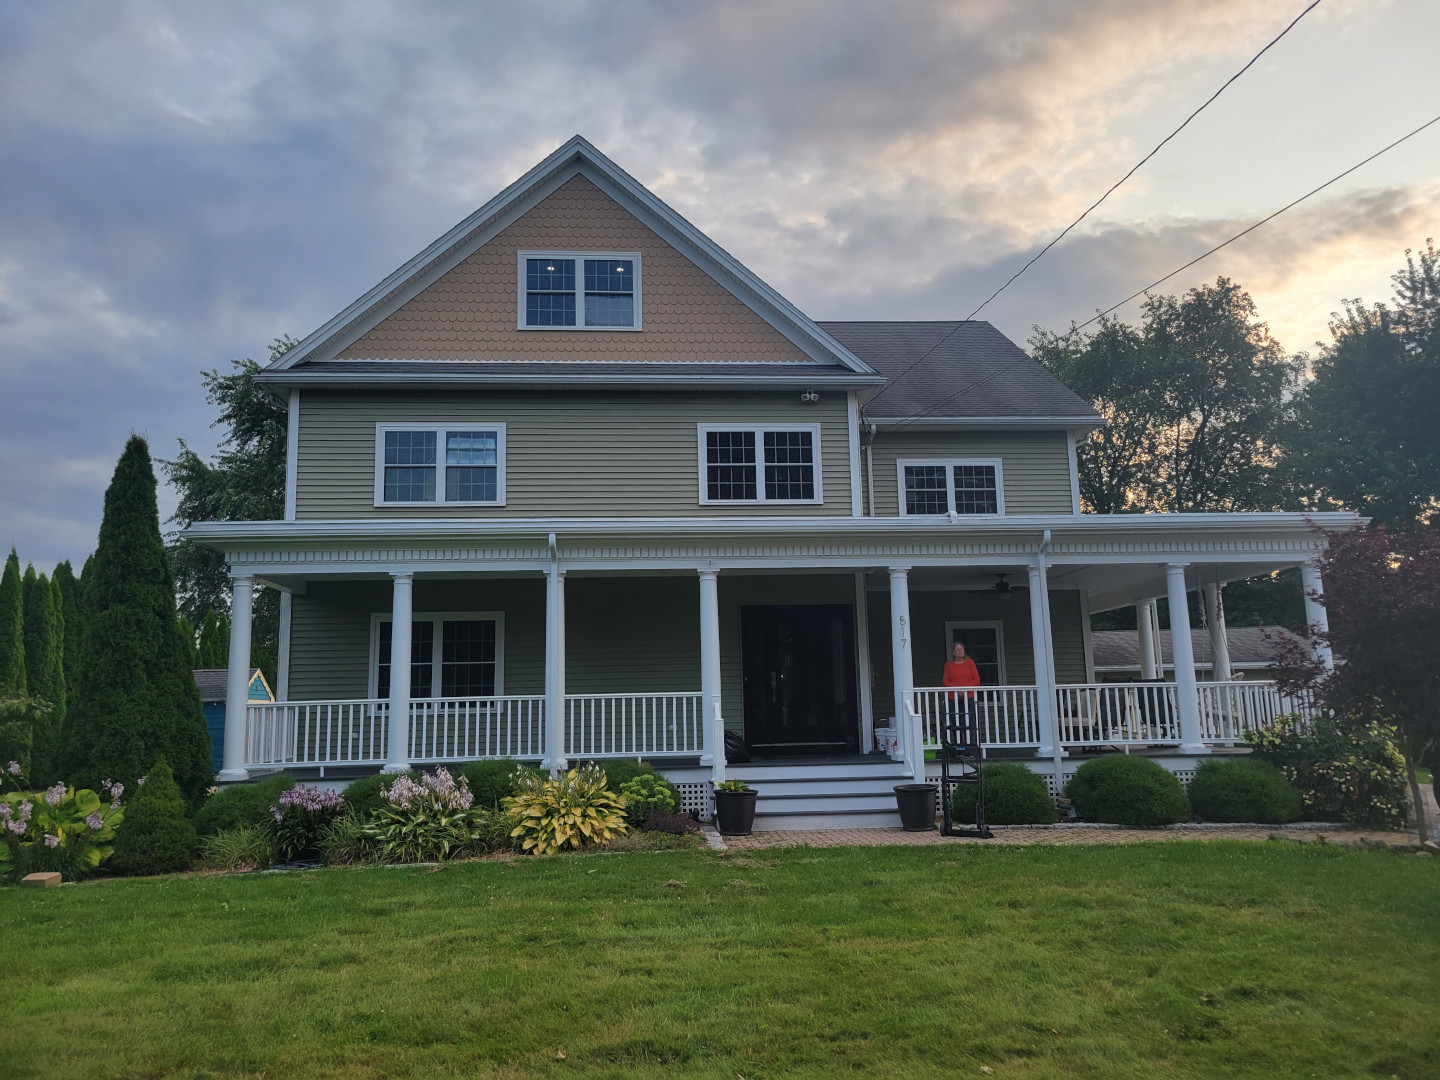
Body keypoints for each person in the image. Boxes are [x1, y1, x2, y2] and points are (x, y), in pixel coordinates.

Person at [942, 640, 981, 738]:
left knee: (968, 720)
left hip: (968, 695)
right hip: (953, 696)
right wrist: (957, 690)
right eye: (957, 650)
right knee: (955, 720)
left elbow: (976, 679)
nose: (960, 651)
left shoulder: (970, 662)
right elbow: (945, 681)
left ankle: (968, 743)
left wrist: (965, 689)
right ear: (953, 652)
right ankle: (957, 743)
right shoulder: (948, 665)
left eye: (961, 649)